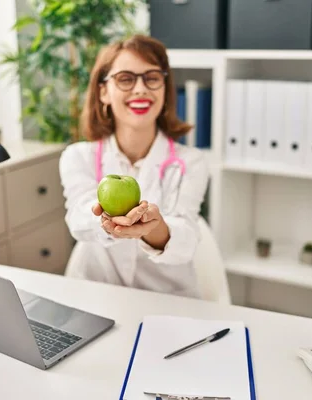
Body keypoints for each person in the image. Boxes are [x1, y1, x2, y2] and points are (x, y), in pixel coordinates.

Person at [58, 34, 209, 298]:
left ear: (164, 88)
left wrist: (153, 227)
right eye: (126, 79)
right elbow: (78, 221)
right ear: (104, 91)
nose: (140, 89)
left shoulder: (190, 162)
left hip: (167, 299)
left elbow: (185, 241)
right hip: (95, 293)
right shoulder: (77, 157)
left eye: (151, 78)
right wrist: (108, 222)